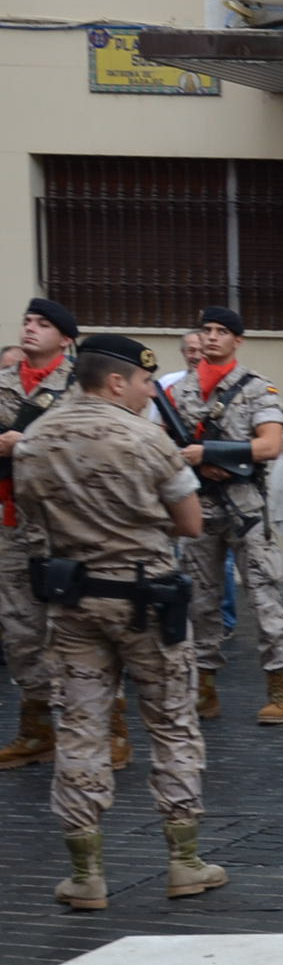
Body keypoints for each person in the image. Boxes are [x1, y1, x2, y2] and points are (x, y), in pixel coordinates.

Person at [16, 334, 223, 913]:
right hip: (147, 604)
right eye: (141, 383)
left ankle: (85, 873)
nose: (145, 392)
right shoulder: (146, 438)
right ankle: (184, 862)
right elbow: (190, 524)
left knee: (81, 728)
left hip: (73, 603)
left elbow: (32, 519)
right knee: (173, 724)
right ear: (115, 382)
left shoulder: (34, 440)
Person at [164, 307, 283, 726]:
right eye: (206, 330)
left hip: (246, 509)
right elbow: (164, 447)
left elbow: (270, 445)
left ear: (237, 340)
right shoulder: (179, 391)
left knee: (263, 598)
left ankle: (280, 688)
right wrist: (199, 465)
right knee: (201, 603)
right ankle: (204, 690)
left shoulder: (257, 388)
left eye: (222, 331)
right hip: (199, 505)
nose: (212, 337)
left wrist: (215, 453)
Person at [0, 298, 81, 770]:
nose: (30, 328)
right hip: (14, 522)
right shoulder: (5, 382)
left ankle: (110, 728)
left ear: (65, 338)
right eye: (27, 321)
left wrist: (24, 443)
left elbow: (93, 446)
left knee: (76, 628)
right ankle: (36, 731)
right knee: (20, 630)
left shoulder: (80, 385)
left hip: (68, 526)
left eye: (43, 323)